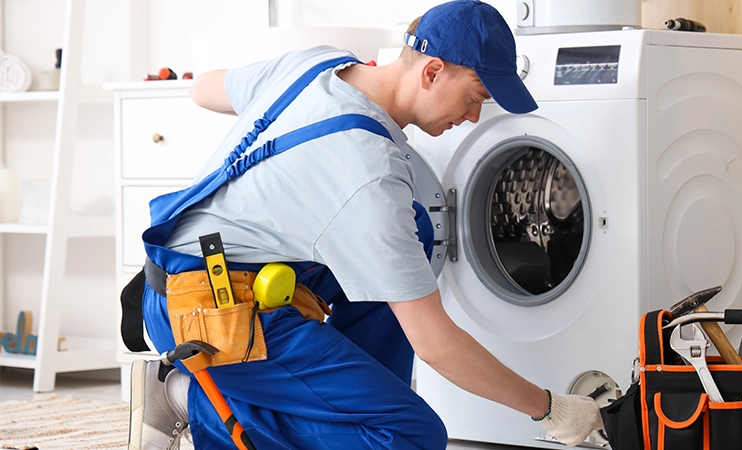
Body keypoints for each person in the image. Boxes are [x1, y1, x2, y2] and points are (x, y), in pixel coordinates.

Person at [125, 1, 604, 449]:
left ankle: (356, 405)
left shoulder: (318, 65)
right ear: (432, 72)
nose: (474, 115)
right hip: (209, 317)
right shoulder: (370, 172)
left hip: (192, 275)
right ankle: (187, 397)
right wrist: (549, 409)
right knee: (411, 436)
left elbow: (202, 88)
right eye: (475, 96)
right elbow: (435, 344)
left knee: (417, 228)